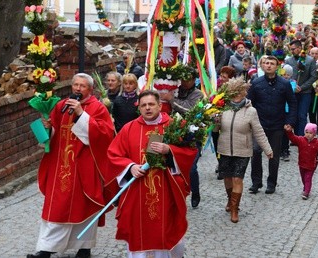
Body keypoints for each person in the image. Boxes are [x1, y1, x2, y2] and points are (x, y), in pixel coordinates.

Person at [27, 73, 115, 258]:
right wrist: (47, 127)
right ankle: (45, 250)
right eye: (75, 85)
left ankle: (84, 248)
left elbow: (105, 135)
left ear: (90, 90)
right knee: (56, 208)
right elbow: (54, 131)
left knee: (86, 206)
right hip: (61, 166)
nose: (77, 89)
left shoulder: (97, 108)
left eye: (82, 86)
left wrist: (81, 114)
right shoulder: (60, 106)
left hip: (84, 167)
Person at [107, 90, 197, 257]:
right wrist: (130, 167)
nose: (147, 108)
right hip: (137, 189)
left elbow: (190, 151)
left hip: (166, 190)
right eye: (143, 105)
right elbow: (114, 154)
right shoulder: (128, 128)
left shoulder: (174, 125)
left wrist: (170, 150)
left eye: (151, 104)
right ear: (139, 108)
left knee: (166, 228)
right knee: (137, 229)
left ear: (160, 105)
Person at [217, 77, 273, 222]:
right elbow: (216, 129)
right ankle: (230, 200)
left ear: (244, 93)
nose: (235, 96)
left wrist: (267, 149)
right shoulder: (222, 107)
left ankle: (235, 209)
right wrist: (215, 120)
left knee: (237, 178)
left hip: (243, 150)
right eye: (233, 93)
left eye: (238, 92)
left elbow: (258, 131)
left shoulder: (251, 111)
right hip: (224, 149)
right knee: (227, 177)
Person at [247, 55, 297, 194]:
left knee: (273, 155)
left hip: (277, 124)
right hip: (259, 125)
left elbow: (292, 104)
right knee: (256, 152)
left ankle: (271, 183)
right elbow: (249, 104)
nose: (269, 65)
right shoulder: (256, 83)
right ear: (263, 66)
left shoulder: (284, 84)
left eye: (272, 63)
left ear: (277, 66)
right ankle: (256, 182)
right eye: (266, 63)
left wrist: (290, 122)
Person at [159, 68, 204, 208]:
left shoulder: (198, 94)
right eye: (183, 79)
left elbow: (190, 110)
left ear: (194, 80)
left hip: (192, 135)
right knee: (172, 165)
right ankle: (175, 193)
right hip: (173, 133)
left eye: (189, 79)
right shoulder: (174, 89)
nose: (185, 82)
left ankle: (194, 193)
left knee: (191, 167)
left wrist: (172, 100)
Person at [284, 123, 318, 200]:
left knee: (308, 178)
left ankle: (306, 192)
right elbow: (293, 138)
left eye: (310, 133)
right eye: (306, 132)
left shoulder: (317, 143)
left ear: (314, 134)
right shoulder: (301, 140)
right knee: (303, 178)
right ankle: (306, 187)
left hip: (312, 165)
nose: (308, 134)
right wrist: (289, 131)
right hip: (302, 164)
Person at [285, 39, 318, 136]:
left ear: (300, 48)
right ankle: (294, 136)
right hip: (292, 93)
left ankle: (301, 137)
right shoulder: (288, 60)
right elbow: (285, 76)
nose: (292, 51)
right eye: (290, 49)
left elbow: (313, 76)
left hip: (305, 92)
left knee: (302, 115)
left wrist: (302, 87)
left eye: (293, 49)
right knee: (293, 115)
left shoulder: (310, 60)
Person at [279, 64, 297, 161]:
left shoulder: (292, 83)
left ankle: (285, 149)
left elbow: (292, 91)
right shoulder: (279, 82)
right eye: (284, 74)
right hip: (280, 109)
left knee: (286, 130)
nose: (286, 76)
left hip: (288, 110)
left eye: (288, 75)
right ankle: (279, 148)